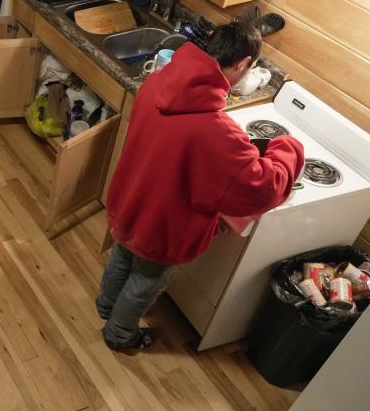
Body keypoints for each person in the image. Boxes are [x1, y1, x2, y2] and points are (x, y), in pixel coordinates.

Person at [97, 21, 304, 351]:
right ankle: (120, 334)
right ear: (243, 64)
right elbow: (262, 188)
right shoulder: (216, 131)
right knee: (146, 279)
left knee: (122, 254)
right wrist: (288, 148)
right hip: (162, 224)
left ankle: (106, 306)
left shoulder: (159, 82)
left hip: (130, 198)